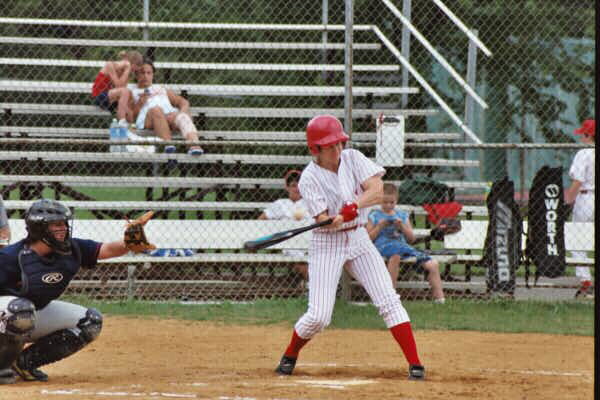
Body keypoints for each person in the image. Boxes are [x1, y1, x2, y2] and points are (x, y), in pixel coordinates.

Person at [274, 115, 425, 380]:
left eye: (339, 143)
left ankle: (415, 364)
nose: (337, 150)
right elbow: (323, 220)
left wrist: (353, 207)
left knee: (388, 299)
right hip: (327, 243)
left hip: (358, 238)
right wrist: (332, 219)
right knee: (319, 316)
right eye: (330, 146)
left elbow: (377, 189)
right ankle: (290, 354)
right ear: (315, 149)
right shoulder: (309, 178)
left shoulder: (353, 158)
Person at [0, 199, 153, 384]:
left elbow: (106, 250)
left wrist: (129, 241)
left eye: (64, 223)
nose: (63, 228)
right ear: (39, 228)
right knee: (20, 309)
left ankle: (23, 363)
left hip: (27, 315)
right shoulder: (10, 257)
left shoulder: (72, 248)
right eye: (56, 224)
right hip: (8, 317)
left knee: (90, 322)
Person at [366, 183, 445, 303]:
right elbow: (368, 238)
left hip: (404, 247)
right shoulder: (374, 215)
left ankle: (440, 300)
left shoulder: (402, 215)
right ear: (379, 200)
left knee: (432, 264)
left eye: (391, 202)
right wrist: (380, 226)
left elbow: (411, 239)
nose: (388, 205)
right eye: (385, 202)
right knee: (395, 256)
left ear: (396, 200)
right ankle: (390, 298)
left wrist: (401, 226)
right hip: (384, 247)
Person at [131, 58, 204, 155]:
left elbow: (183, 102)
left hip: (169, 116)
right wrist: (140, 102)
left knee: (182, 117)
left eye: (149, 73)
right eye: (142, 73)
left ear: (153, 74)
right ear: (136, 74)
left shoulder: (161, 89)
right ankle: (169, 145)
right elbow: (132, 117)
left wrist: (183, 112)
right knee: (156, 110)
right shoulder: (132, 91)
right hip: (148, 119)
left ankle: (194, 146)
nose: (146, 76)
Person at [258, 170, 311, 283]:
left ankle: (314, 284)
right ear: (287, 188)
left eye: (299, 185)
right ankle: (312, 284)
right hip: (289, 240)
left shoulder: (310, 203)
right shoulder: (281, 204)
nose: (296, 189)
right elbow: (260, 221)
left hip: (309, 239)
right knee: (296, 253)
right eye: (293, 185)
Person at [564, 119, 595, 299]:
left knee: (578, 239)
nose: (581, 137)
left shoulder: (584, 153)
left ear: (588, 135)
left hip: (586, 197)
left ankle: (585, 281)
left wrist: (568, 199)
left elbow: (578, 180)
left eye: (583, 134)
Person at [91, 50, 143, 123]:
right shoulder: (110, 65)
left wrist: (127, 108)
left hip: (112, 100)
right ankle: (122, 123)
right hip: (100, 96)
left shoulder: (125, 73)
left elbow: (121, 90)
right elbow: (119, 86)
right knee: (125, 91)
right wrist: (127, 68)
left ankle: (129, 131)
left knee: (130, 113)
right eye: (132, 69)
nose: (132, 72)